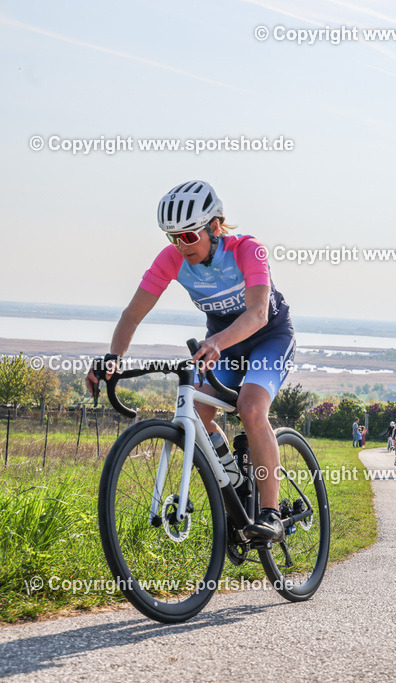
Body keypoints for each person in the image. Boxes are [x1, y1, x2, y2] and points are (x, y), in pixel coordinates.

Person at [86, 180, 295, 542]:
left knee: (250, 408)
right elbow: (132, 314)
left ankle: (271, 514)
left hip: (269, 339)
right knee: (196, 413)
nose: (180, 247)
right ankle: (235, 479)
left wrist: (215, 341)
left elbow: (258, 314)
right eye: (173, 238)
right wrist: (112, 358)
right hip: (225, 346)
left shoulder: (248, 250)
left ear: (214, 227)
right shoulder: (172, 259)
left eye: (188, 237)